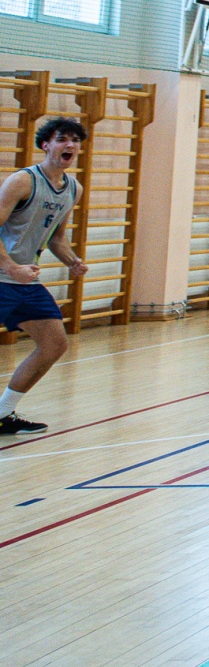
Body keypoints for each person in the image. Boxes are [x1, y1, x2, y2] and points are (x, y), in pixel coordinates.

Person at [0, 117, 87, 435]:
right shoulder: (22, 181)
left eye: (75, 140)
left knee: (54, 344)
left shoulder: (73, 189)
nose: (70, 145)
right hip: (5, 274)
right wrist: (10, 266)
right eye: (62, 138)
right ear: (46, 145)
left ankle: (3, 413)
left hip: (23, 279)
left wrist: (72, 261)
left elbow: (56, 238)